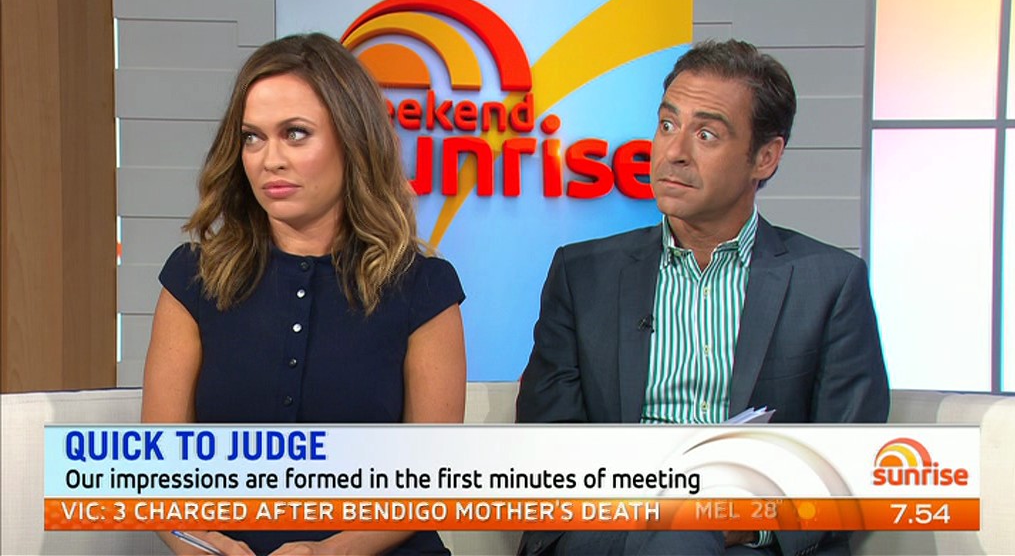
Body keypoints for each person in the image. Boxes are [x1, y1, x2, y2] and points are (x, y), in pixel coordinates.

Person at [516, 39, 890, 556]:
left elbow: (848, 460)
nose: (674, 152)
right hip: (607, 528)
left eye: (706, 134)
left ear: (765, 157)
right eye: (667, 125)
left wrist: (743, 523)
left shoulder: (829, 283)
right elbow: (546, 441)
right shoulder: (582, 275)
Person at [141, 33, 467, 556]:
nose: (269, 159)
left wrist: (328, 553)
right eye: (252, 138)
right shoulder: (193, 279)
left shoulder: (423, 287)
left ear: (353, 141)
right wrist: (207, 547)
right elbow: (156, 481)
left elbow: (433, 480)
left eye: (295, 134)